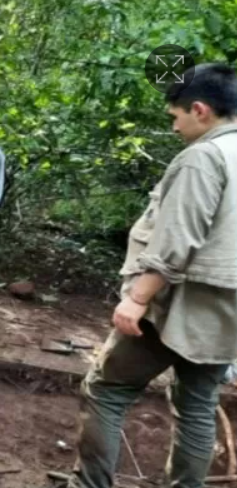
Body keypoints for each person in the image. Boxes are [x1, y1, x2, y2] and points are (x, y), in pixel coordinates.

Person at [67, 63, 237, 488]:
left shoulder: (204, 158)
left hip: (180, 301)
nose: (174, 127)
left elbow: (178, 239)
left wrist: (138, 297)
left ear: (199, 110)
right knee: (197, 405)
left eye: (175, 116)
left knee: (106, 389)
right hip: (227, 312)